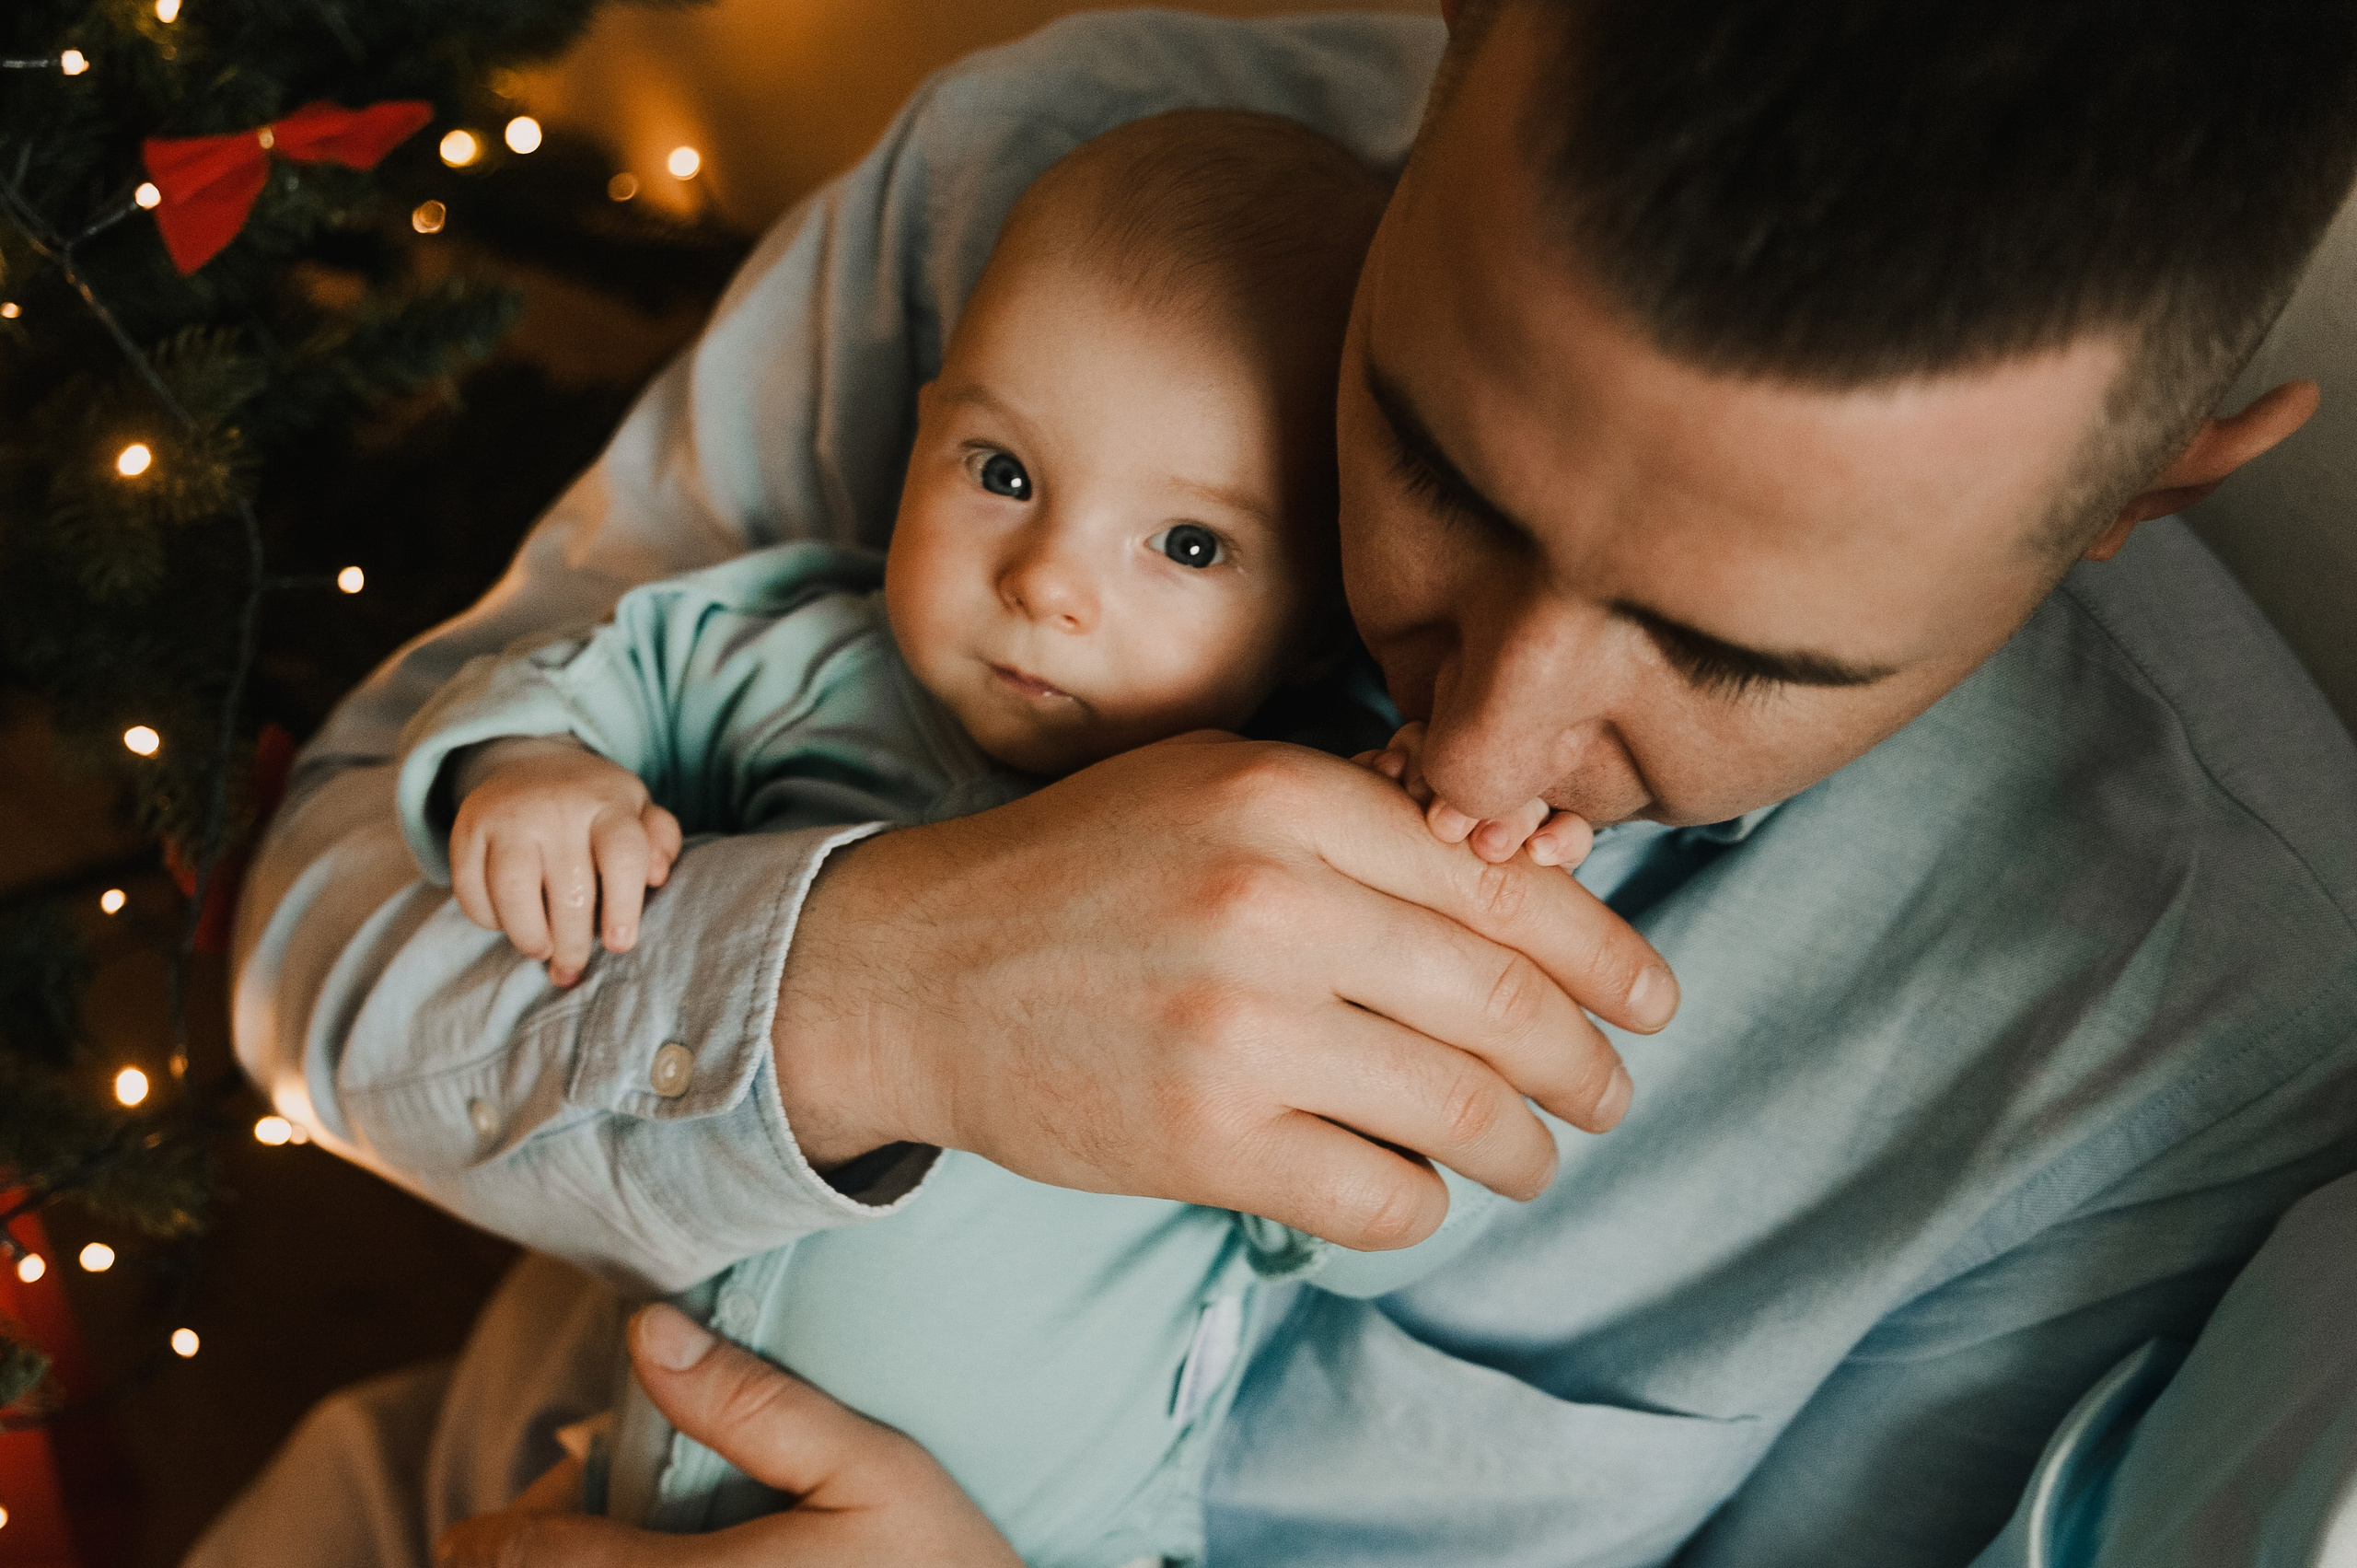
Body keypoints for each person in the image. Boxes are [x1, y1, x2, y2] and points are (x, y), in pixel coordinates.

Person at [210, 3, 2357, 1564]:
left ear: (2135, 503)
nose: (1497, 738)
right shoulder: (1073, 187)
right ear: (1453, 45)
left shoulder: (2186, 1032)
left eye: (1729, 660)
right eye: (1427, 459)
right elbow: (317, 944)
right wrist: (879, 990)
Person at [389, 110, 1532, 1568]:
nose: (1048, 578)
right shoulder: (805, 655)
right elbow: (607, 670)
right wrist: (535, 766)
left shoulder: (1300, 866)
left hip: (1050, 1536)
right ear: (925, 423)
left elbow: (1354, 1193)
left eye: (1188, 545)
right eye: (1002, 469)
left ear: (1316, 611)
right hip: (641, 1468)